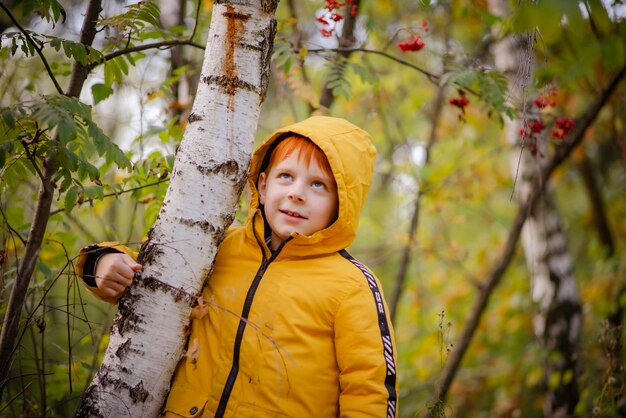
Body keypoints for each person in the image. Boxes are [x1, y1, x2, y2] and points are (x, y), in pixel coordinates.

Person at [77, 116, 399, 417]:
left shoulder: (351, 286)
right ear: (262, 183)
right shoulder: (217, 246)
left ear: (341, 203)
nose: (296, 193)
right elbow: (150, 265)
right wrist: (101, 261)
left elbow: (368, 390)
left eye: (318, 185)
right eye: (286, 176)